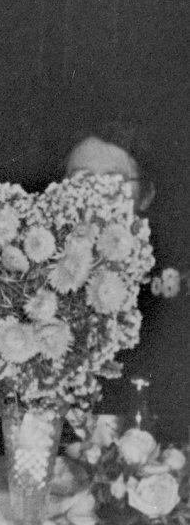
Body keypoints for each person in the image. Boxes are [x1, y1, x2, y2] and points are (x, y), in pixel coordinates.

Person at [61, 122, 187, 440]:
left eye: (116, 181)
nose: (98, 193)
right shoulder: (29, 268)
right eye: (82, 179)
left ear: (146, 196)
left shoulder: (171, 279)